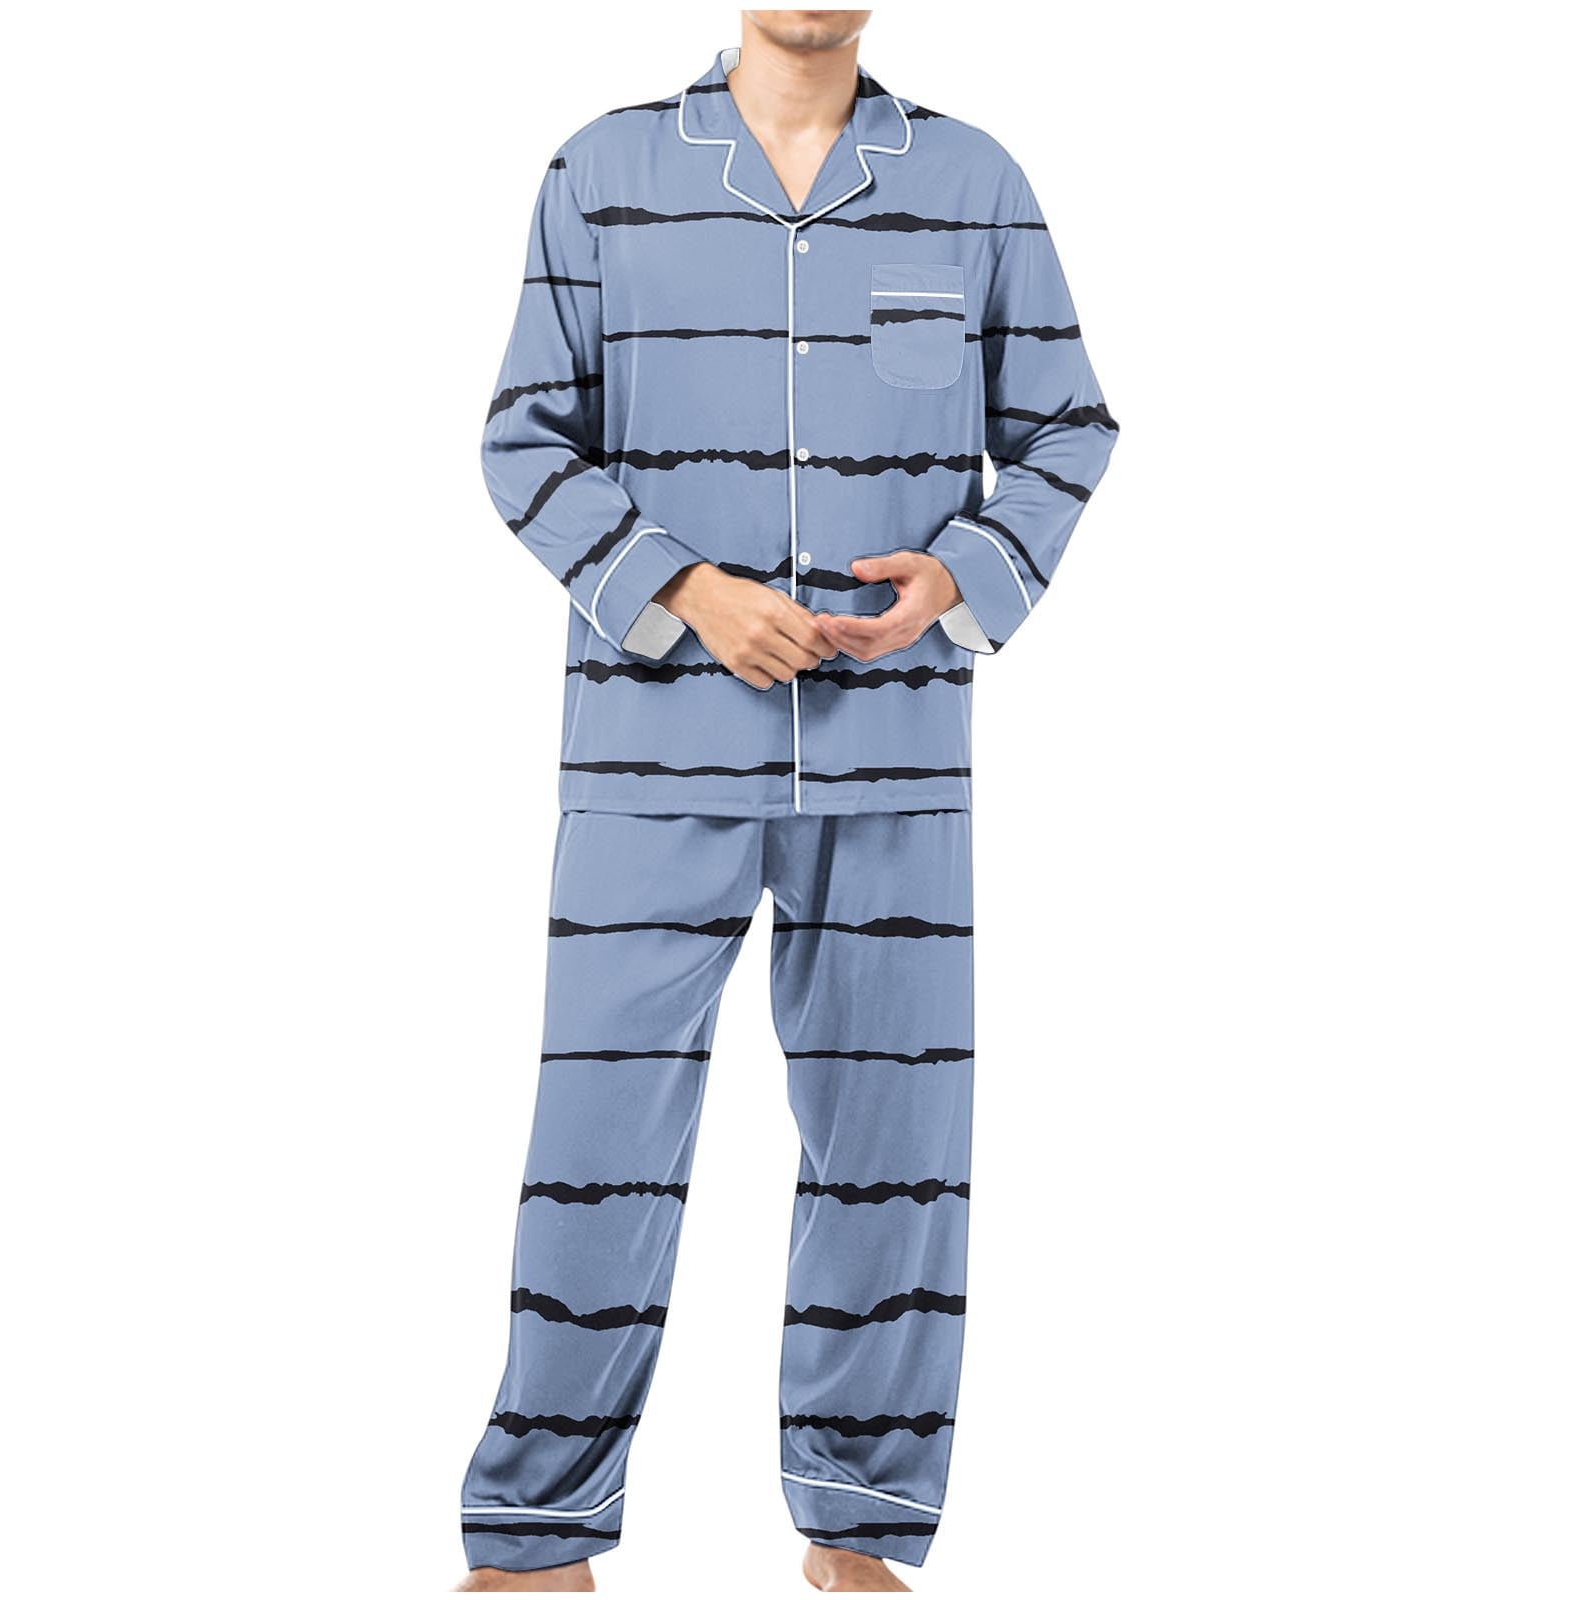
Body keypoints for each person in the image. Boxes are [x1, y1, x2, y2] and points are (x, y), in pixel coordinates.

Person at [457, 11, 1119, 1593]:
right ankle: (536, 1534)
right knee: (599, 1142)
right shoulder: (602, 171)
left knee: (895, 1150)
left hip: (897, 757)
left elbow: (1067, 427)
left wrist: (962, 571)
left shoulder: (974, 182)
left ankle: (860, 1520)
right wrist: (685, 589)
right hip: (649, 756)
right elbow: (524, 437)